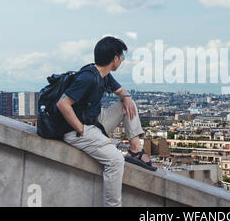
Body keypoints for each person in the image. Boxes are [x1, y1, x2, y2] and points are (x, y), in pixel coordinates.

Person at [56, 36, 156, 207]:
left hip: (94, 122)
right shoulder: (88, 78)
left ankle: (135, 150)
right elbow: (62, 103)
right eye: (122, 57)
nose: (122, 60)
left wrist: (126, 97)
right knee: (116, 161)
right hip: (76, 130)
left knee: (129, 104)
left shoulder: (103, 74)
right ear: (115, 58)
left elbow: (122, 92)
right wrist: (81, 129)